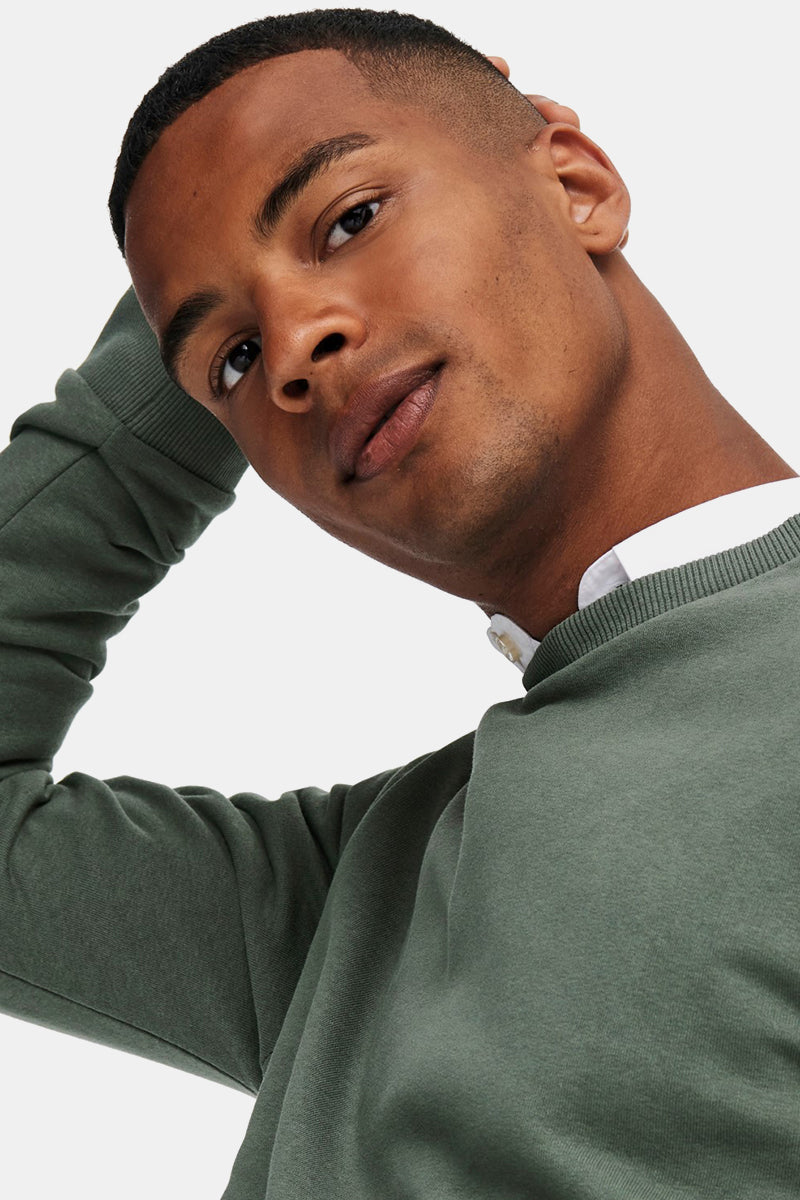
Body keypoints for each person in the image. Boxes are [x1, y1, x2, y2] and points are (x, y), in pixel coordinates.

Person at [1, 8, 798, 1198]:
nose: (292, 351)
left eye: (350, 219)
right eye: (233, 361)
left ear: (576, 186)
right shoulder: (370, 900)